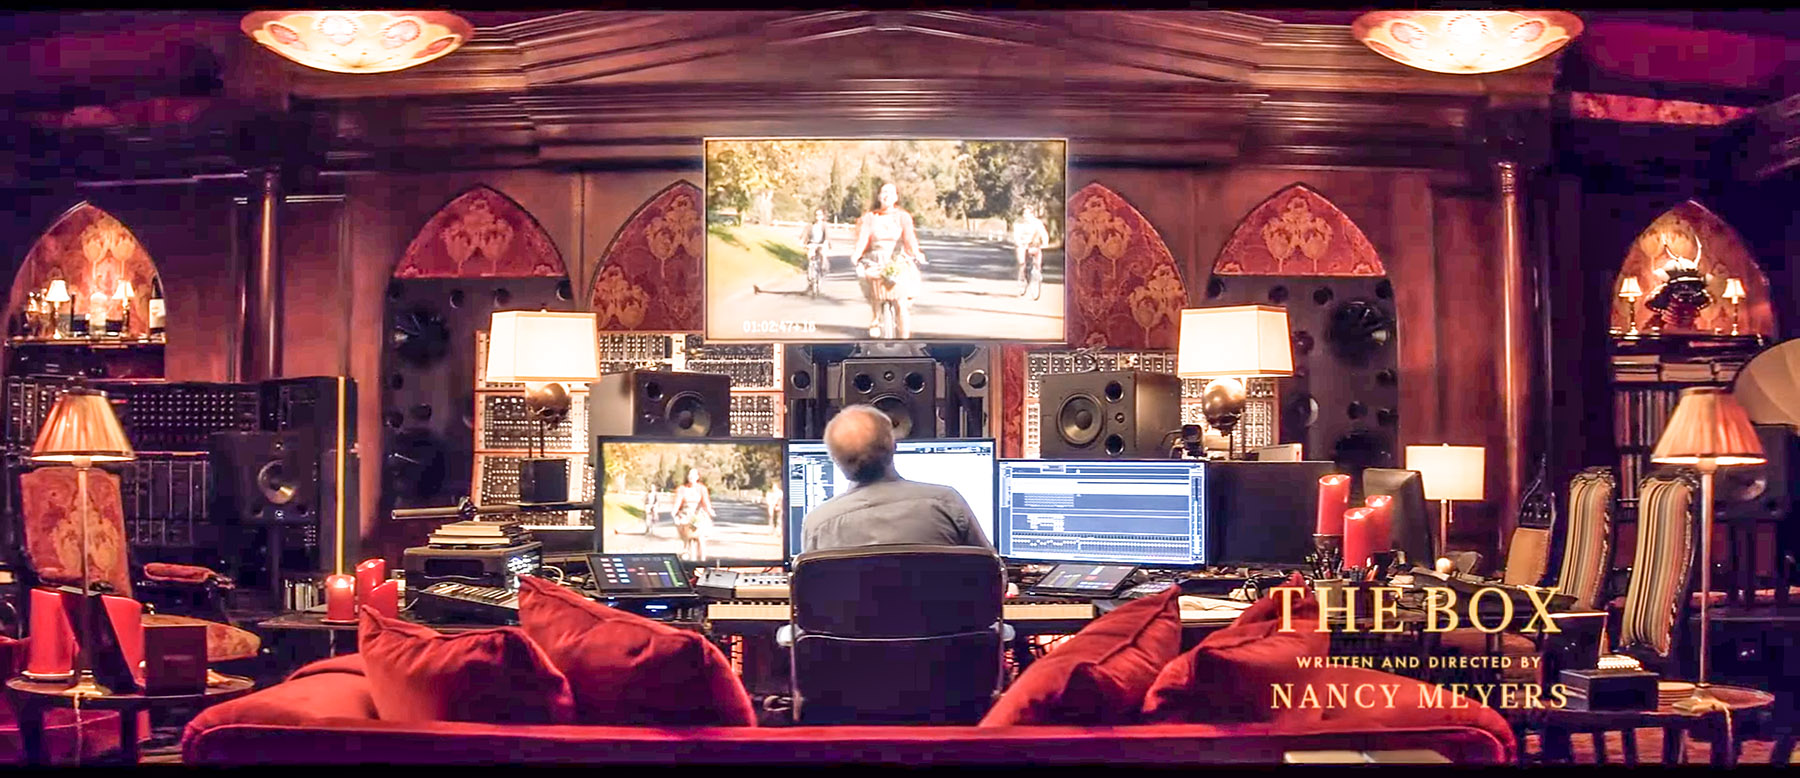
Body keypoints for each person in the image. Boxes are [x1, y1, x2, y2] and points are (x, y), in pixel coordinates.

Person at [799, 405, 993, 553]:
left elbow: (809, 591)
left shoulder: (817, 525)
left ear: (835, 460)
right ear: (893, 446)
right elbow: (993, 577)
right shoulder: (947, 504)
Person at [848, 183, 926, 338]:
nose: (887, 195)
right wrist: (856, 254)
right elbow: (863, 237)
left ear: (896, 197)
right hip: (874, 260)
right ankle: (875, 318)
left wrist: (916, 253)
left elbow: (909, 238)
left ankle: (904, 338)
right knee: (869, 283)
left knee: (901, 302)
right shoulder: (870, 218)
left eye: (891, 193)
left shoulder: (903, 216)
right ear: (878, 196)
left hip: (897, 260)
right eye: (884, 192)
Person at [670, 468, 716, 561]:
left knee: (700, 538)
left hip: (698, 515)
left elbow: (706, 502)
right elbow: (677, 502)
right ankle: (689, 555)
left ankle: (703, 561)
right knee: (688, 536)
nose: (691, 477)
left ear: (697, 477)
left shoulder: (701, 488)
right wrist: (674, 512)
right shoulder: (682, 489)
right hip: (686, 515)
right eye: (690, 475)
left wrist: (710, 511)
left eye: (693, 475)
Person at [1013, 204, 1050, 300]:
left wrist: (1045, 243)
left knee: (1037, 261)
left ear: (1032, 214)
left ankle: (1037, 273)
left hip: (1033, 244)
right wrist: (1019, 243)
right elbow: (1016, 235)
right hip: (1022, 244)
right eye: (1023, 213)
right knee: (1022, 263)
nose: (1025, 215)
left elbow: (1043, 233)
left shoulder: (1037, 223)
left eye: (1027, 213)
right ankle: (1022, 279)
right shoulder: (1018, 223)